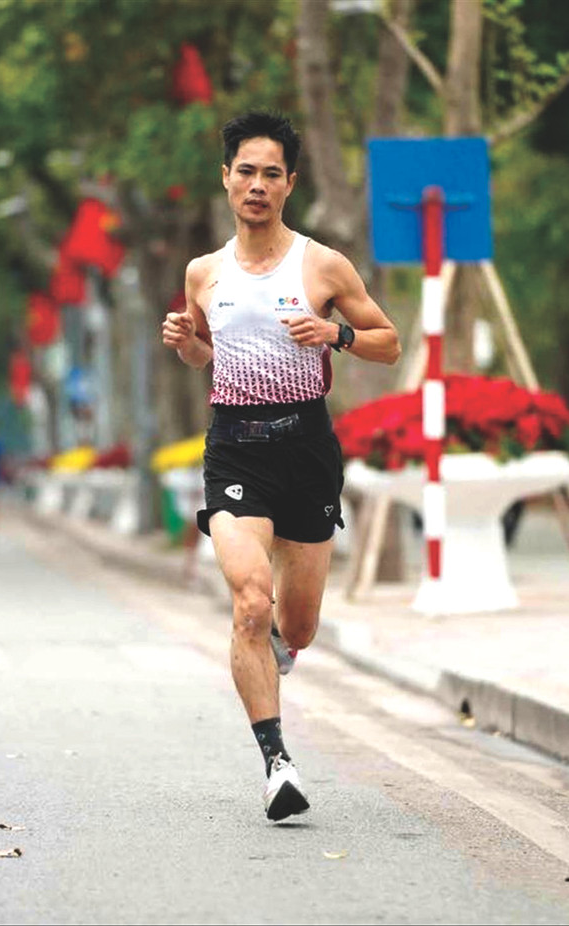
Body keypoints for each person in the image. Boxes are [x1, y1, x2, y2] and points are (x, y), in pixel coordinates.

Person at [163, 111, 399, 822]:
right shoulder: (203, 272)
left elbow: (389, 342)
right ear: (225, 178)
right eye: (245, 171)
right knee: (249, 601)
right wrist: (185, 343)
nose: (257, 185)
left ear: (290, 183)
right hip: (235, 445)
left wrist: (338, 334)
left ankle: (280, 649)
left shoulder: (323, 264)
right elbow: (206, 352)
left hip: (306, 447)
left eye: (271, 173)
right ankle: (277, 764)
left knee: (296, 627)